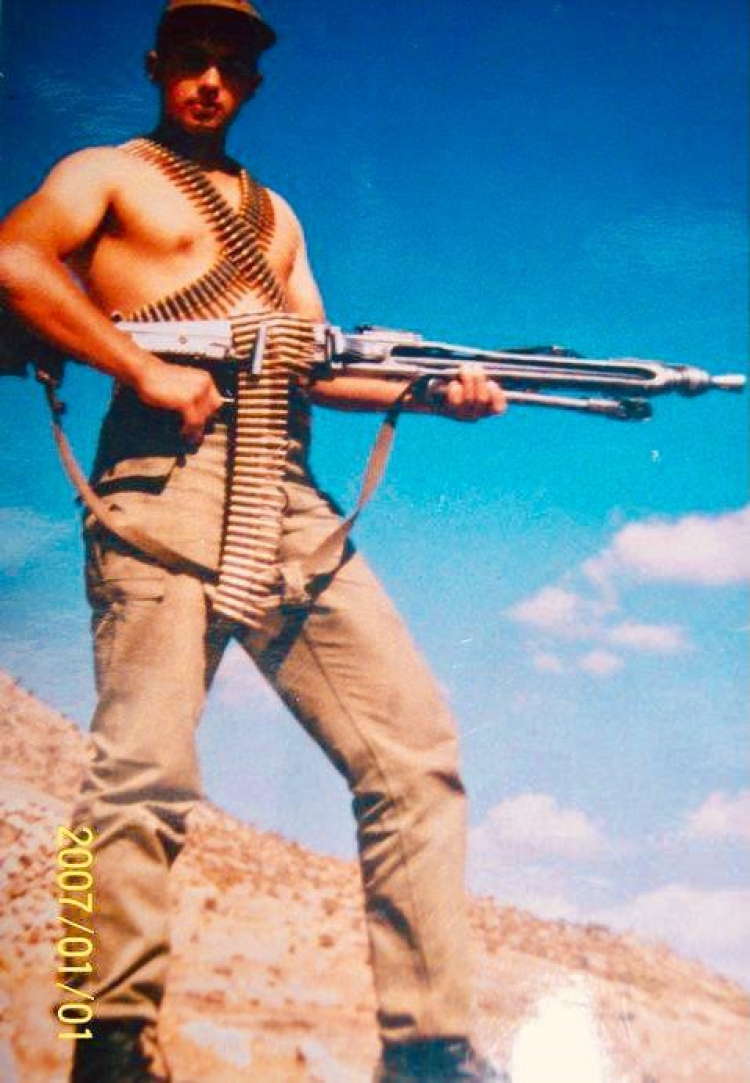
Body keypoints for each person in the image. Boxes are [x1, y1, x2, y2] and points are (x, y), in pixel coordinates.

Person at [0, 2, 508, 1079]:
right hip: (164, 478)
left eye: (230, 66)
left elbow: (318, 363)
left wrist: (431, 392)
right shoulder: (105, 174)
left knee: (413, 750)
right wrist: (141, 369)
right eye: (191, 60)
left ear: (253, 84)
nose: (210, 82)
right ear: (156, 66)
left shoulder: (275, 218)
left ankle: (428, 1046)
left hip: (285, 489)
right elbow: (14, 262)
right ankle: (107, 1040)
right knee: (138, 771)